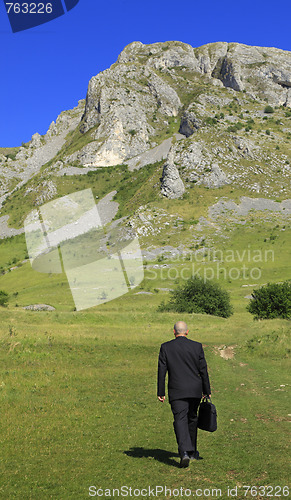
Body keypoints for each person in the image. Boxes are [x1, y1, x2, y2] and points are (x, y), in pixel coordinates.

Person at [157, 320, 211, 468]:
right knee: (192, 419)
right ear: (187, 332)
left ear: (174, 332)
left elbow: (162, 371)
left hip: (177, 390)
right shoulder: (197, 346)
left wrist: (160, 391)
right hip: (195, 390)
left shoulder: (166, 347)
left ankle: (185, 453)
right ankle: (192, 452)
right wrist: (207, 391)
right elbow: (203, 370)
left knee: (180, 419)